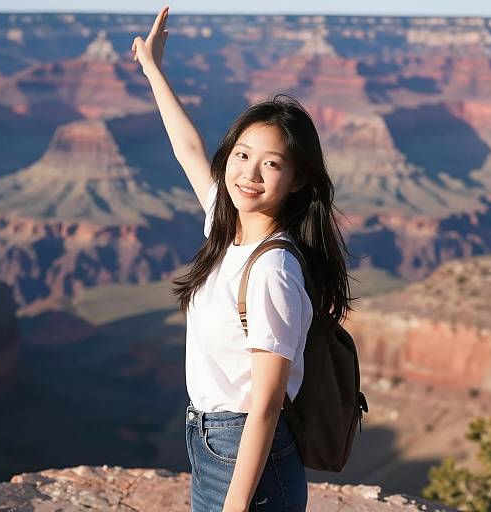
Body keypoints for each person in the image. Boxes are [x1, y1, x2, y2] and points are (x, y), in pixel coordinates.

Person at [132, 6, 354, 511]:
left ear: (298, 179)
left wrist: (236, 504)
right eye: (241, 154)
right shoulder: (227, 226)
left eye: (271, 162)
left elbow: (267, 407)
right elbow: (188, 149)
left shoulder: (273, 269)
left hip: (247, 453)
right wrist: (153, 71)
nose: (250, 172)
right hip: (209, 441)